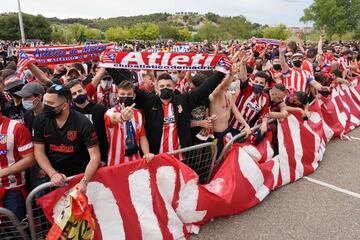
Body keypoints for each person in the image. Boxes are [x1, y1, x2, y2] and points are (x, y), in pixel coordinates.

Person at [134, 58, 230, 154]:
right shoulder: (150, 101)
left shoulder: (183, 100)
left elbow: (204, 89)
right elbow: (130, 90)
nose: (165, 88)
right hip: (158, 157)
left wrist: (221, 72)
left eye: (168, 85)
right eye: (162, 86)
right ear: (157, 88)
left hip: (180, 157)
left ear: (173, 87)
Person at [33, 84, 100, 193]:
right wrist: (53, 173)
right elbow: (38, 152)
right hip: (53, 176)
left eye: (50, 104)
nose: (46, 107)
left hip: (79, 175)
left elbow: (95, 157)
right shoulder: (40, 120)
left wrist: (84, 181)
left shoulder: (83, 123)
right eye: (45, 102)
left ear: (64, 106)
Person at [104, 80, 154, 165]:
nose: (126, 96)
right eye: (122, 94)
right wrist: (122, 117)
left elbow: (142, 137)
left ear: (134, 96)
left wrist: (147, 153)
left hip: (135, 161)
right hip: (116, 162)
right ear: (117, 96)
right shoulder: (110, 112)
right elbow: (113, 118)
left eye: (129, 94)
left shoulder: (138, 113)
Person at [0, 101, 34, 221]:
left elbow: (30, 159)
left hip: (12, 191)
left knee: (18, 232)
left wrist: (3, 172)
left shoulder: (16, 127)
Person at [209, 70, 251, 156]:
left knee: (226, 156)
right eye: (224, 80)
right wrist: (231, 74)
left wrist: (246, 125)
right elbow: (222, 87)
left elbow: (236, 112)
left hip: (226, 132)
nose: (227, 83)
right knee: (215, 160)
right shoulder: (213, 95)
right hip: (216, 134)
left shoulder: (229, 94)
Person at [66, 80, 109, 164]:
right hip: (78, 161)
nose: (78, 94)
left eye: (79, 91)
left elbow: (105, 136)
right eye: (74, 94)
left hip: (100, 157)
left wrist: (104, 158)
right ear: (70, 97)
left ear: (85, 90)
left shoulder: (100, 109)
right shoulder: (69, 113)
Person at [228, 51, 270, 138]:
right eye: (256, 82)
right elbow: (243, 78)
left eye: (261, 83)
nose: (258, 84)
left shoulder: (265, 98)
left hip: (245, 130)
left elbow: (265, 112)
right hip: (230, 125)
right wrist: (243, 64)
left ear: (265, 85)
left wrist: (265, 123)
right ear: (253, 81)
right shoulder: (248, 89)